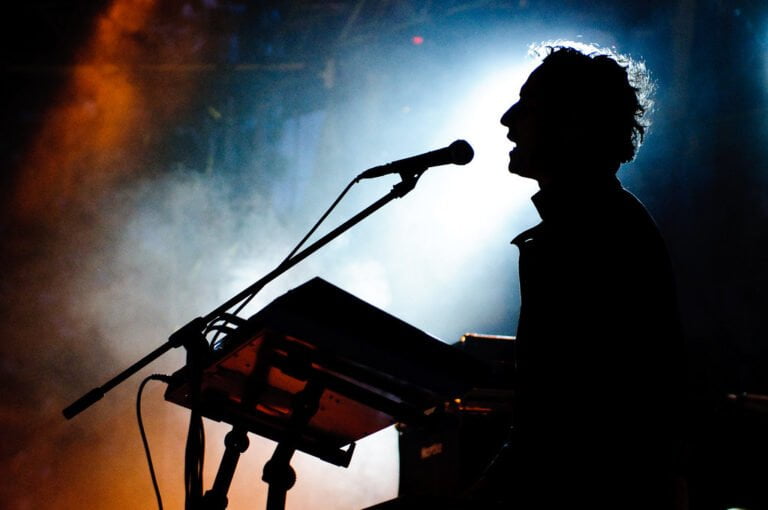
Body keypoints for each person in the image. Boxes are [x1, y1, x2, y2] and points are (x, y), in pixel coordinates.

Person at [496, 45, 686, 509]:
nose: (508, 118)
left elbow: (566, 422)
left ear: (573, 123)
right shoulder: (597, 222)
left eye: (529, 104)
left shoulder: (597, 232)